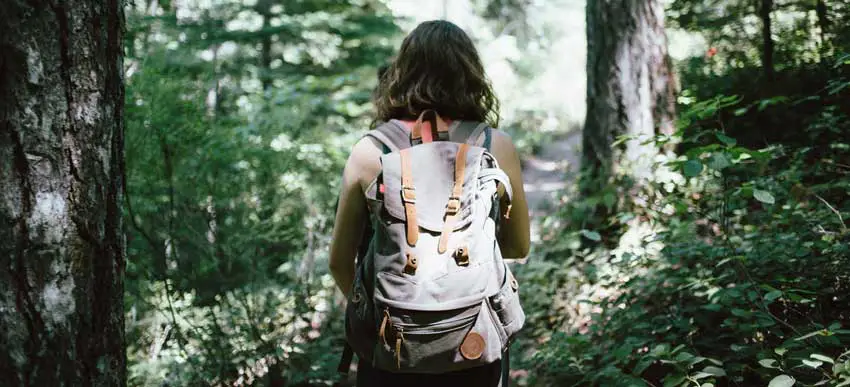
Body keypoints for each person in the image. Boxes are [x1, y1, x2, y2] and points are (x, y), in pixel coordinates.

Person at [329, 20, 530, 387]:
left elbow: (339, 262)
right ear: (470, 74)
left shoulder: (369, 151)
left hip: (391, 349)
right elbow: (517, 246)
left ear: (401, 73)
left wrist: (387, 311)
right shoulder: (494, 146)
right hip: (474, 343)